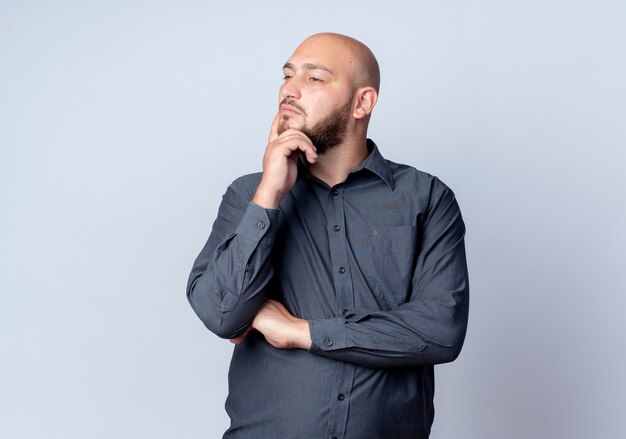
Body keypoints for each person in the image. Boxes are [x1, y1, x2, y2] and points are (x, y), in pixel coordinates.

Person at [186, 32, 469, 439]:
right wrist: (270, 194)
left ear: (362, 102)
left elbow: (440, 331)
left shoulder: (426, 198)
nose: (290, 90)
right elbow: (221, 314)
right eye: (287, 75)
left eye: (314, 78)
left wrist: (300, 332)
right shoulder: (248, 196)